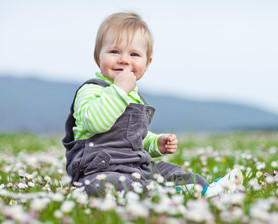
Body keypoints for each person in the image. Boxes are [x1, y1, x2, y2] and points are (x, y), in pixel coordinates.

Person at [62, 12, 243, 198]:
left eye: (134, 54)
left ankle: (207, 191)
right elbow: (96, 123)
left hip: (135, 166)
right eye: (114, 51)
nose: (124, 60)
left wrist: (156, 143)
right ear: (98, 55)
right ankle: (160, 193)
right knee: (104, 185)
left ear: (146, 63)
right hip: (99, 169)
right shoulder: (92, 90)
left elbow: (133, 138)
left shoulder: (133, 96)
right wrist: (118, 90)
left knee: (171, 171)